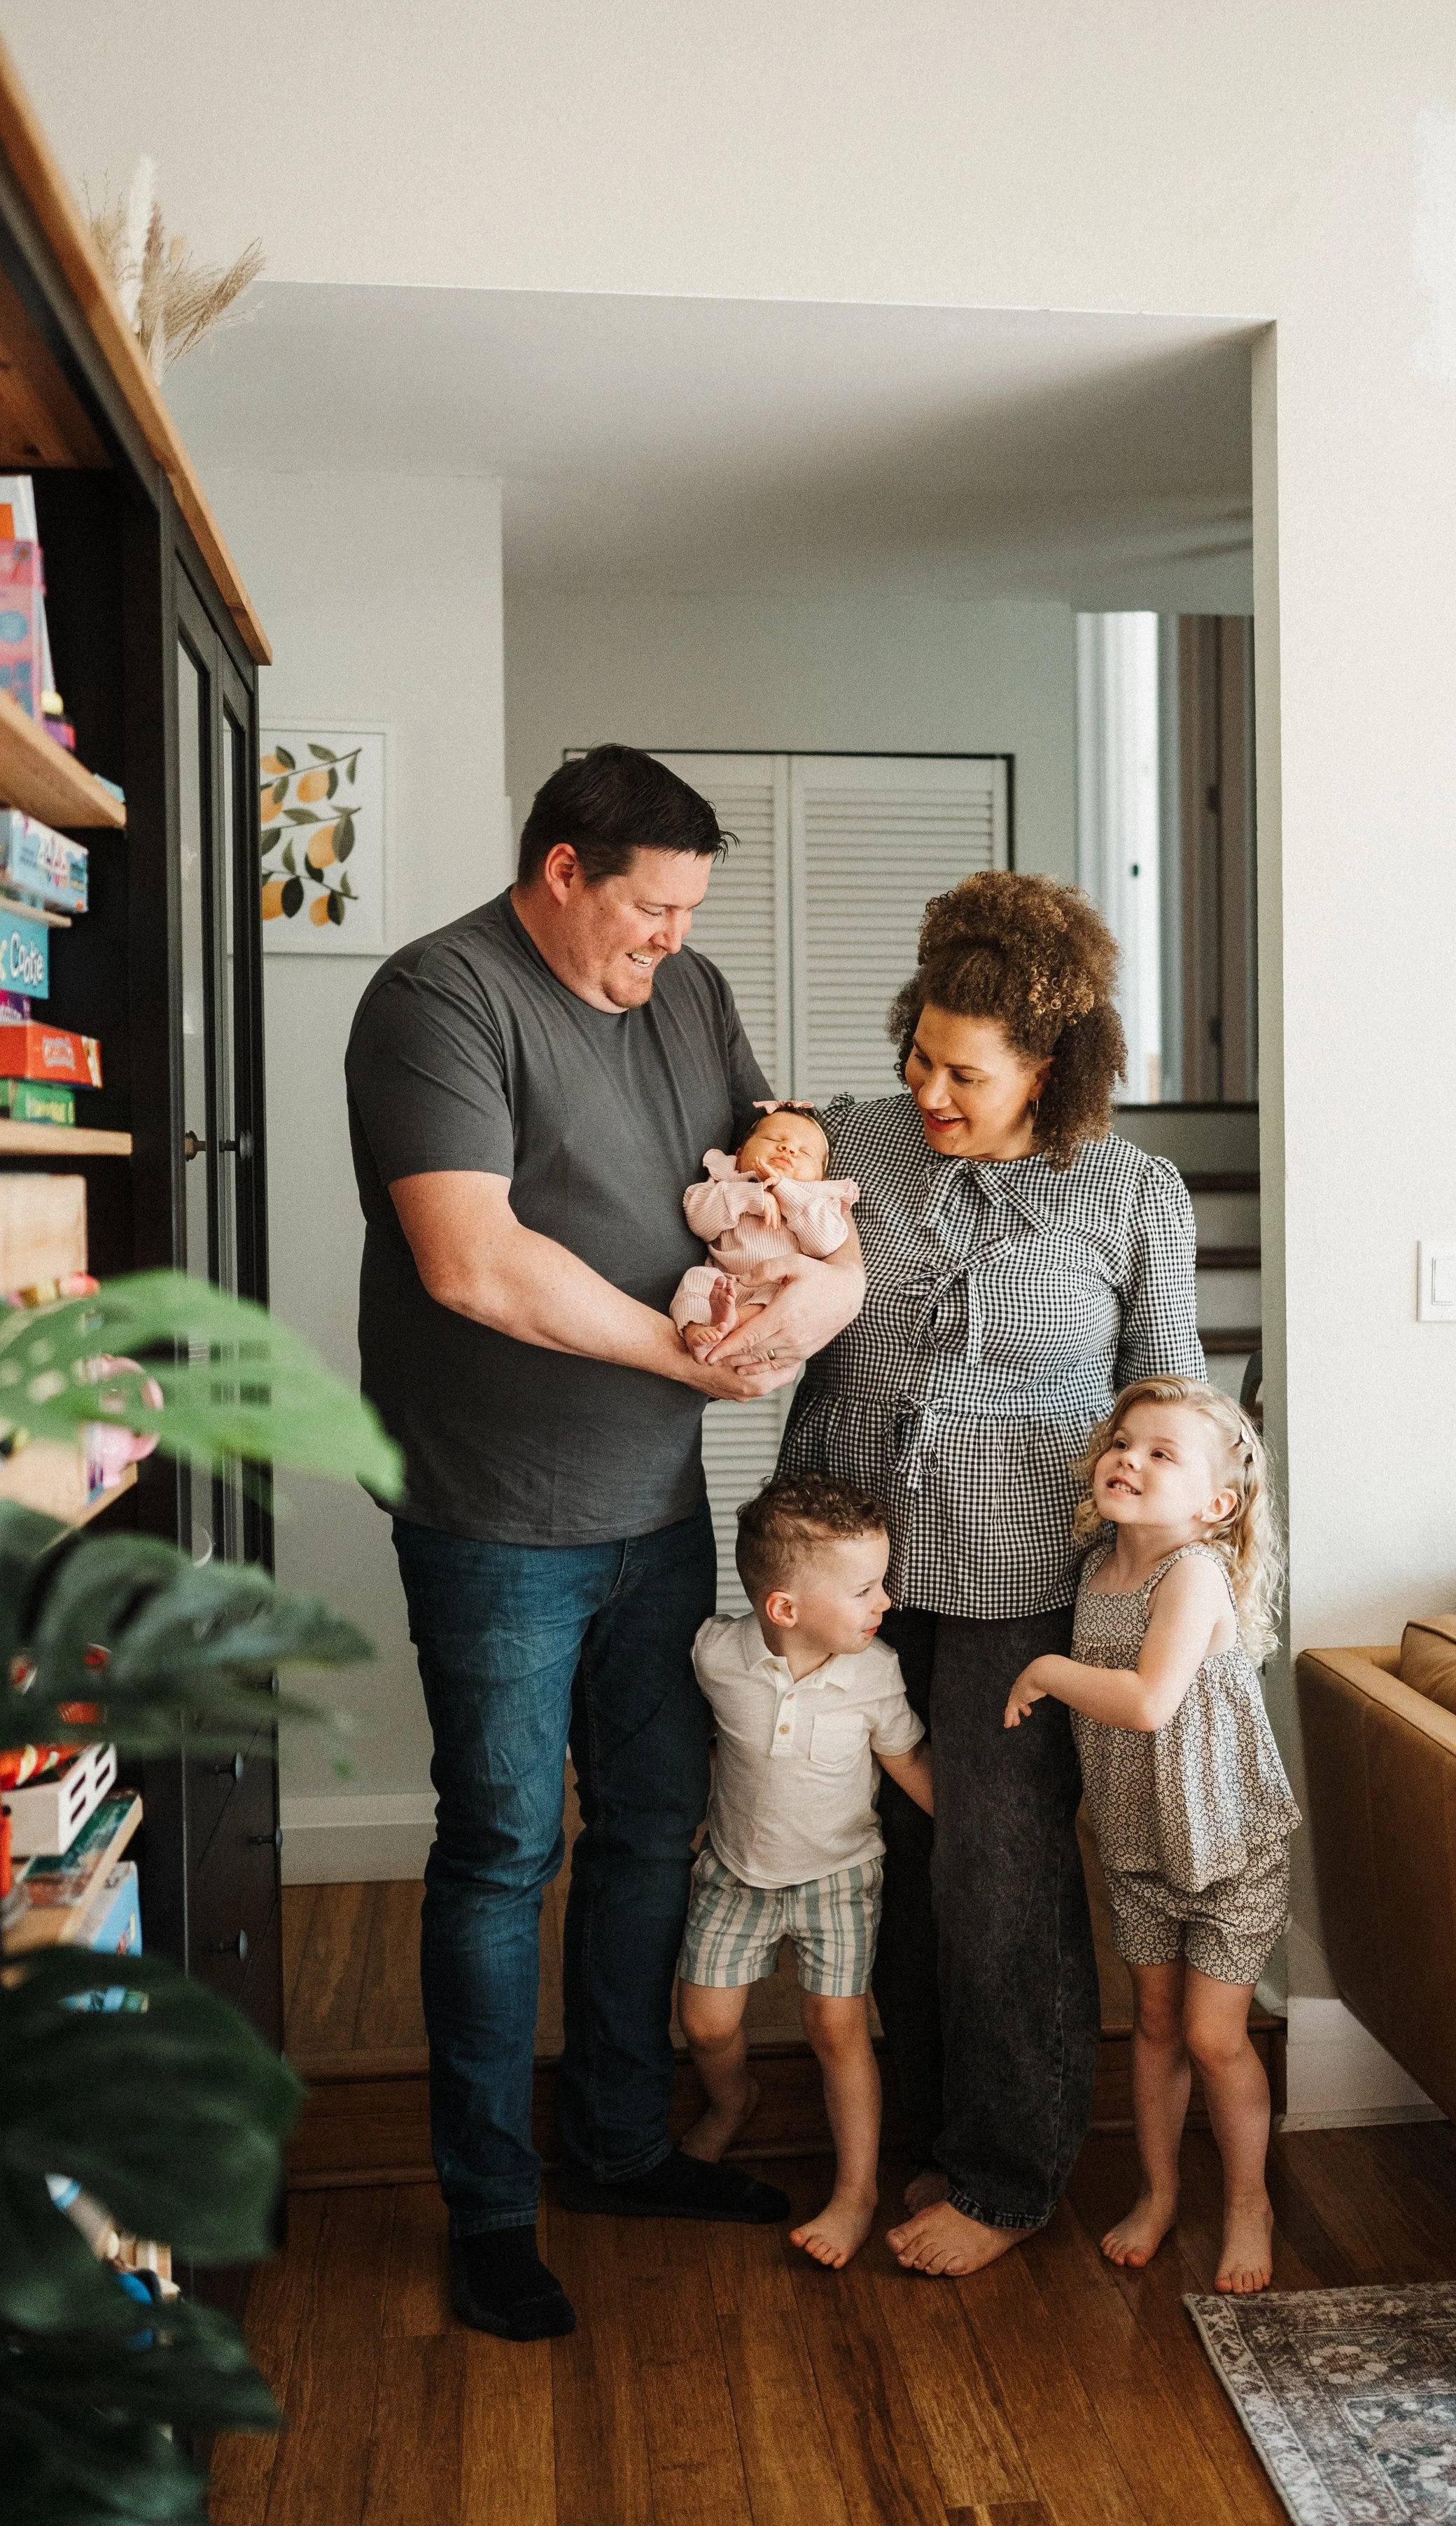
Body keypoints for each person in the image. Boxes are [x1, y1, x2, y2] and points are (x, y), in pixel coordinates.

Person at [344, 744, 865, 2343]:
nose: (669, 939)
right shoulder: (441, 996)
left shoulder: (689, 993)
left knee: (651, 1821)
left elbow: (772, 1183)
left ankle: (623, 2144)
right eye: (649, 907)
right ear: (561, 868)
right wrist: (685, 1356)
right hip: (495, 1506)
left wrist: (813, 1287)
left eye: (689, 911)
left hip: (655, 1499)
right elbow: (471, 1258)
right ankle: (492, 2205)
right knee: (504, 1846)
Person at [776, 869, 1205, 2277]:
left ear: (1047, 1067)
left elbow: (1177, 1403)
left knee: (998, 1872)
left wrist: (1176, 1598)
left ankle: (1010, 2172)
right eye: (918, 1054)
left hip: (1020, 1577)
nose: (929, 1088)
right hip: (841, 1569)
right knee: (877, 1855)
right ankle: (912, 2120)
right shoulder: (854, 1143)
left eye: (964, 1072)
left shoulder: (1133, 1193)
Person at [1004, 1374, 1297, 2292]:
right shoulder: (1097, 1570)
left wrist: (1047, 1668)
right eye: (1122, 1441)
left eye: (1160, 1452)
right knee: (1156, 2024)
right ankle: (1159, 2189)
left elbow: (1146, 1702)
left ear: (1214, 1503)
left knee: (1215, 2036)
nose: (1127, 1458)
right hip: (1141, 1847)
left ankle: (1249, 2201)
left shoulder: (1193, 1572)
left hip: (1228, 1844)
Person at [677, 1472, 933, 2268]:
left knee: (837, 2027)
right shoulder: (717, 1652)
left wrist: (977, 1832)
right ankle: (734, 2099)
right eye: (863, 1587)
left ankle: (854, 2192)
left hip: (839, 1876)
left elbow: (907, 1759)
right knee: (707, 2023)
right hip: (735, 1872)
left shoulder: (876, 1670)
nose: (884, 1599)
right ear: (783, 1607)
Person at [671, 1105, 860, 1355]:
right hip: (724, 1282)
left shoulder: (818, 1200)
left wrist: (784, 1192)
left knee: (784, 1297)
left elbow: (825, 1243)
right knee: (696, 1278)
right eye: (773, 1140)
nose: (789, 1149)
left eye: (805, 1153)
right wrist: (755, 1196)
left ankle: (732, 1324)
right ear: (739, 1156)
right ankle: (696, 1329)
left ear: (821, 1178)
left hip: (774, 1286)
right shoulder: (727, 1183)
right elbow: (700, 1220)